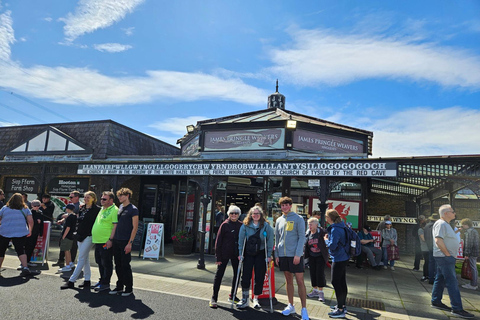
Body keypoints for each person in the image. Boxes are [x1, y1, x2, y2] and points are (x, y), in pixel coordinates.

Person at [431, 204, 474, 319]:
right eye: (452, 211)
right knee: (452, 282)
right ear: (446, 213)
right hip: (444, 257)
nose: (454, 213)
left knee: (440, 279)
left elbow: (447, 238)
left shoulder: (446, 225)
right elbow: (438, 240)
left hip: (445, 257)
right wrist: (448, 255)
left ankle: (436, 301)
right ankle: (457, 308)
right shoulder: (441, 224)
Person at [274, 197, 310, 320]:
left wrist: (298, 254)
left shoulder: (298, 219)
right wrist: (277, 255)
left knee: (300, 281)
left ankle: (304, 309)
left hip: (295, 255)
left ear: (290, 205)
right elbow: (277, 239)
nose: (284, 207)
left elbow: (302, 237)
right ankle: (291, 305)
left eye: (286, 205)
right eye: (282, 205)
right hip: (283, 255)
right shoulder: (279, 220)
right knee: (288, 280)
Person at [61, 191, 100, 289]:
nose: (86, 199)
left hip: (89, 236)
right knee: (85, 258)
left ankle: (71, 280)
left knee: (81, 258)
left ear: (93, 199)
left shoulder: (97, 210)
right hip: (79, 235)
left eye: (88, 197)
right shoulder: (82, 208)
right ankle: (87, 280)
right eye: (85, 197)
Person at [237, 205, 274, 309]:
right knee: (245, 275)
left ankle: (256, 298)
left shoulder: (266, 226)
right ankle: (245, 299)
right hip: (249, 253)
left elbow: (270, 241)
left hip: (261, 253)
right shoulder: (245, 225)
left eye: (257, 213)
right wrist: (240, 254)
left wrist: (269, 255)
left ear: (260, 215)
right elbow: (241, 240)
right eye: (254, 214)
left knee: (259, 276)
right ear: (251, 215)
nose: (255, 215)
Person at [209, 205, 242, 308]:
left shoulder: (241, 225)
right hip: (224, 253)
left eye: (236, 213)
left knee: (237, 275)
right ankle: (214, 297)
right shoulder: (224, 225)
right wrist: (218, 257)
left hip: (236, 254)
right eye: (232, 213)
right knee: (219, 275)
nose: (234, 215)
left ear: (238, 215)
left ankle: (233, 295)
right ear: (229, 214)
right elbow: (218, 242)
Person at [109, 188, 139, 297]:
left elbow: (135, 227)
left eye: (122, 195)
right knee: (117, 264)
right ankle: (119, 286)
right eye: (118, 196)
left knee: (125, 265)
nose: (119, 198)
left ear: (127, 196)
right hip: (117, 240)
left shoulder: (133, 209)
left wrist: (130, 243)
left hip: (125, 241)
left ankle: (129, 288)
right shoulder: (120, 207)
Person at [0, 193, 34, 276]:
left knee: (1, 250)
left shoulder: (4, 208)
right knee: (20, 250)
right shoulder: (25, 208)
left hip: (5, 231)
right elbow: (30, 221)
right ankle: (25, 267)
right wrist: (30, 230)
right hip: (20, 232)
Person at [324, 209, 349, 318]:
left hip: (338, 258)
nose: (326, 219)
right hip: (344, 256)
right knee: (342, 282)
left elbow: (333, 245)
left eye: (326, 217)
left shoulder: (335, 229)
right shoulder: (341, 226)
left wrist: (326, 240)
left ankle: (340, 309)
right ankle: (342, 305)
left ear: (330, 218)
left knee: (335, 282)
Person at [91, 191, 118, 292]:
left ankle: (105, 283)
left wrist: (110, 240)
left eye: (104, 199)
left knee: (106, 263)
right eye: (101, 198)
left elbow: (115, 225)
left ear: (111, 200)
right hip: (98, 240)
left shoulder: (114, 210)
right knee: (99, 262)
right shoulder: (102, 208)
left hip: (105, 241)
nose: (101, 200)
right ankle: (102, 280)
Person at [305, 217, 329, 302]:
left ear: (316, 225)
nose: (310, 226)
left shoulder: (321, 232)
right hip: (311, 256)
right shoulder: (308, 233)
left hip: (320, 256)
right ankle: (314, 290)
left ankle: (321, 292)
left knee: (320, 273)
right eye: (309, 224)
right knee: (313, 273)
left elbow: (328, 236)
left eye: (311, 224)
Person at [58, 204, 77, 272]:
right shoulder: (74, 216)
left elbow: (68, 227)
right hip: (71, 235)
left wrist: (63, 236)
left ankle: (68, 265)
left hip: (67, 236)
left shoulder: (69, 217)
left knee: (66, 251)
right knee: (68, 250)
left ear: (68, 209)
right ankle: (70, 263)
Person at [461, 218, 479, 290]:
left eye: (463, 225)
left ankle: (473, 284)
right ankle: (473, 283)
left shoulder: (469, 232)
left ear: (466, 225)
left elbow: (469, 243)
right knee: (474, 267)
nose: (462, 226)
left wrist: (466, 254)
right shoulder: (474, 231)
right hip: (475, 251)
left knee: (472, 268)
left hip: (471, 252)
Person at [25, 200, 44, 266]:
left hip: (35, 232)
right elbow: (28, 222)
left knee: (32, 246)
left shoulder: (40, 212)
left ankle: (28, 261)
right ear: (32, 206)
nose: (37, 207)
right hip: (29, 231)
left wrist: (41, 233)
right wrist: (36, 221)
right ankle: (25, 262)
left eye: (38, 206)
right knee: (27, 246)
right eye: (35, 206)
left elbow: (42, 224)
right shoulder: (29, 212)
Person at [424, 213, 438, 284]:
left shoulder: (426, 226)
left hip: (429, 246)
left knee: (431, 262)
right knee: (436, 263)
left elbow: (425, 236)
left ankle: (430, 277)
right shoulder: (436, 226)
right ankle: (435, 278)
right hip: (436, 246)